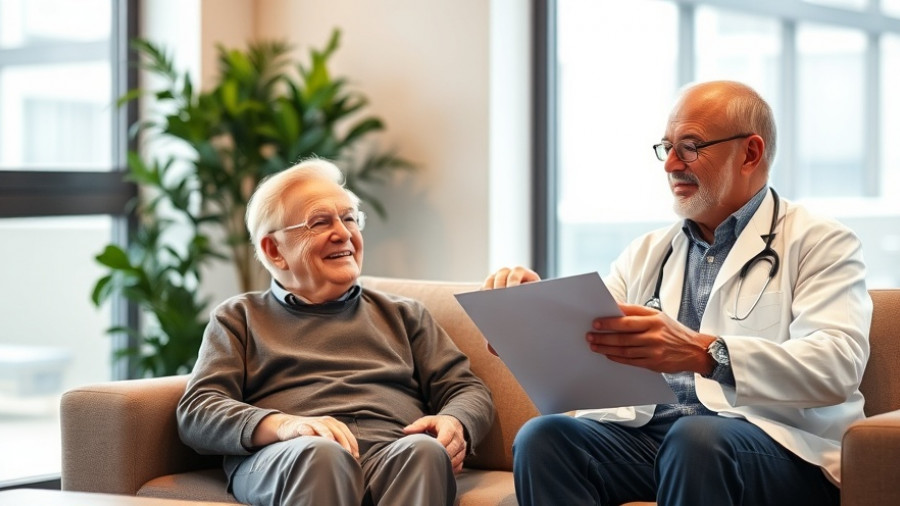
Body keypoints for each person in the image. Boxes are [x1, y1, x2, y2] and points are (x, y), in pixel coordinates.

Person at [483, 80, 871, 505]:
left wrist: (707, 353)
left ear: (750, 153)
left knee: (697, 438)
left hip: (773, 445)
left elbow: (838, 364)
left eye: (690, 146)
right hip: (655, 441)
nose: (670, 165)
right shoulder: (648, 252)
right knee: (546, 438)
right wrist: (530, 323)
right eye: (665, 147)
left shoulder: (820, 241)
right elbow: (591, 340)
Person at [177, 158, 494, 506]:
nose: (343, 233)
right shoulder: (240, 318)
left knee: (423, 451)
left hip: (391, 452)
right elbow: (198, 411)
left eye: (349, 219)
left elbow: (466, 388)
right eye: (320, 222)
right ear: (274, 250)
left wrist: (454, 421)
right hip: (291, 455)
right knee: (322, 455)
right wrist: (285, 426)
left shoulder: (404, 315)